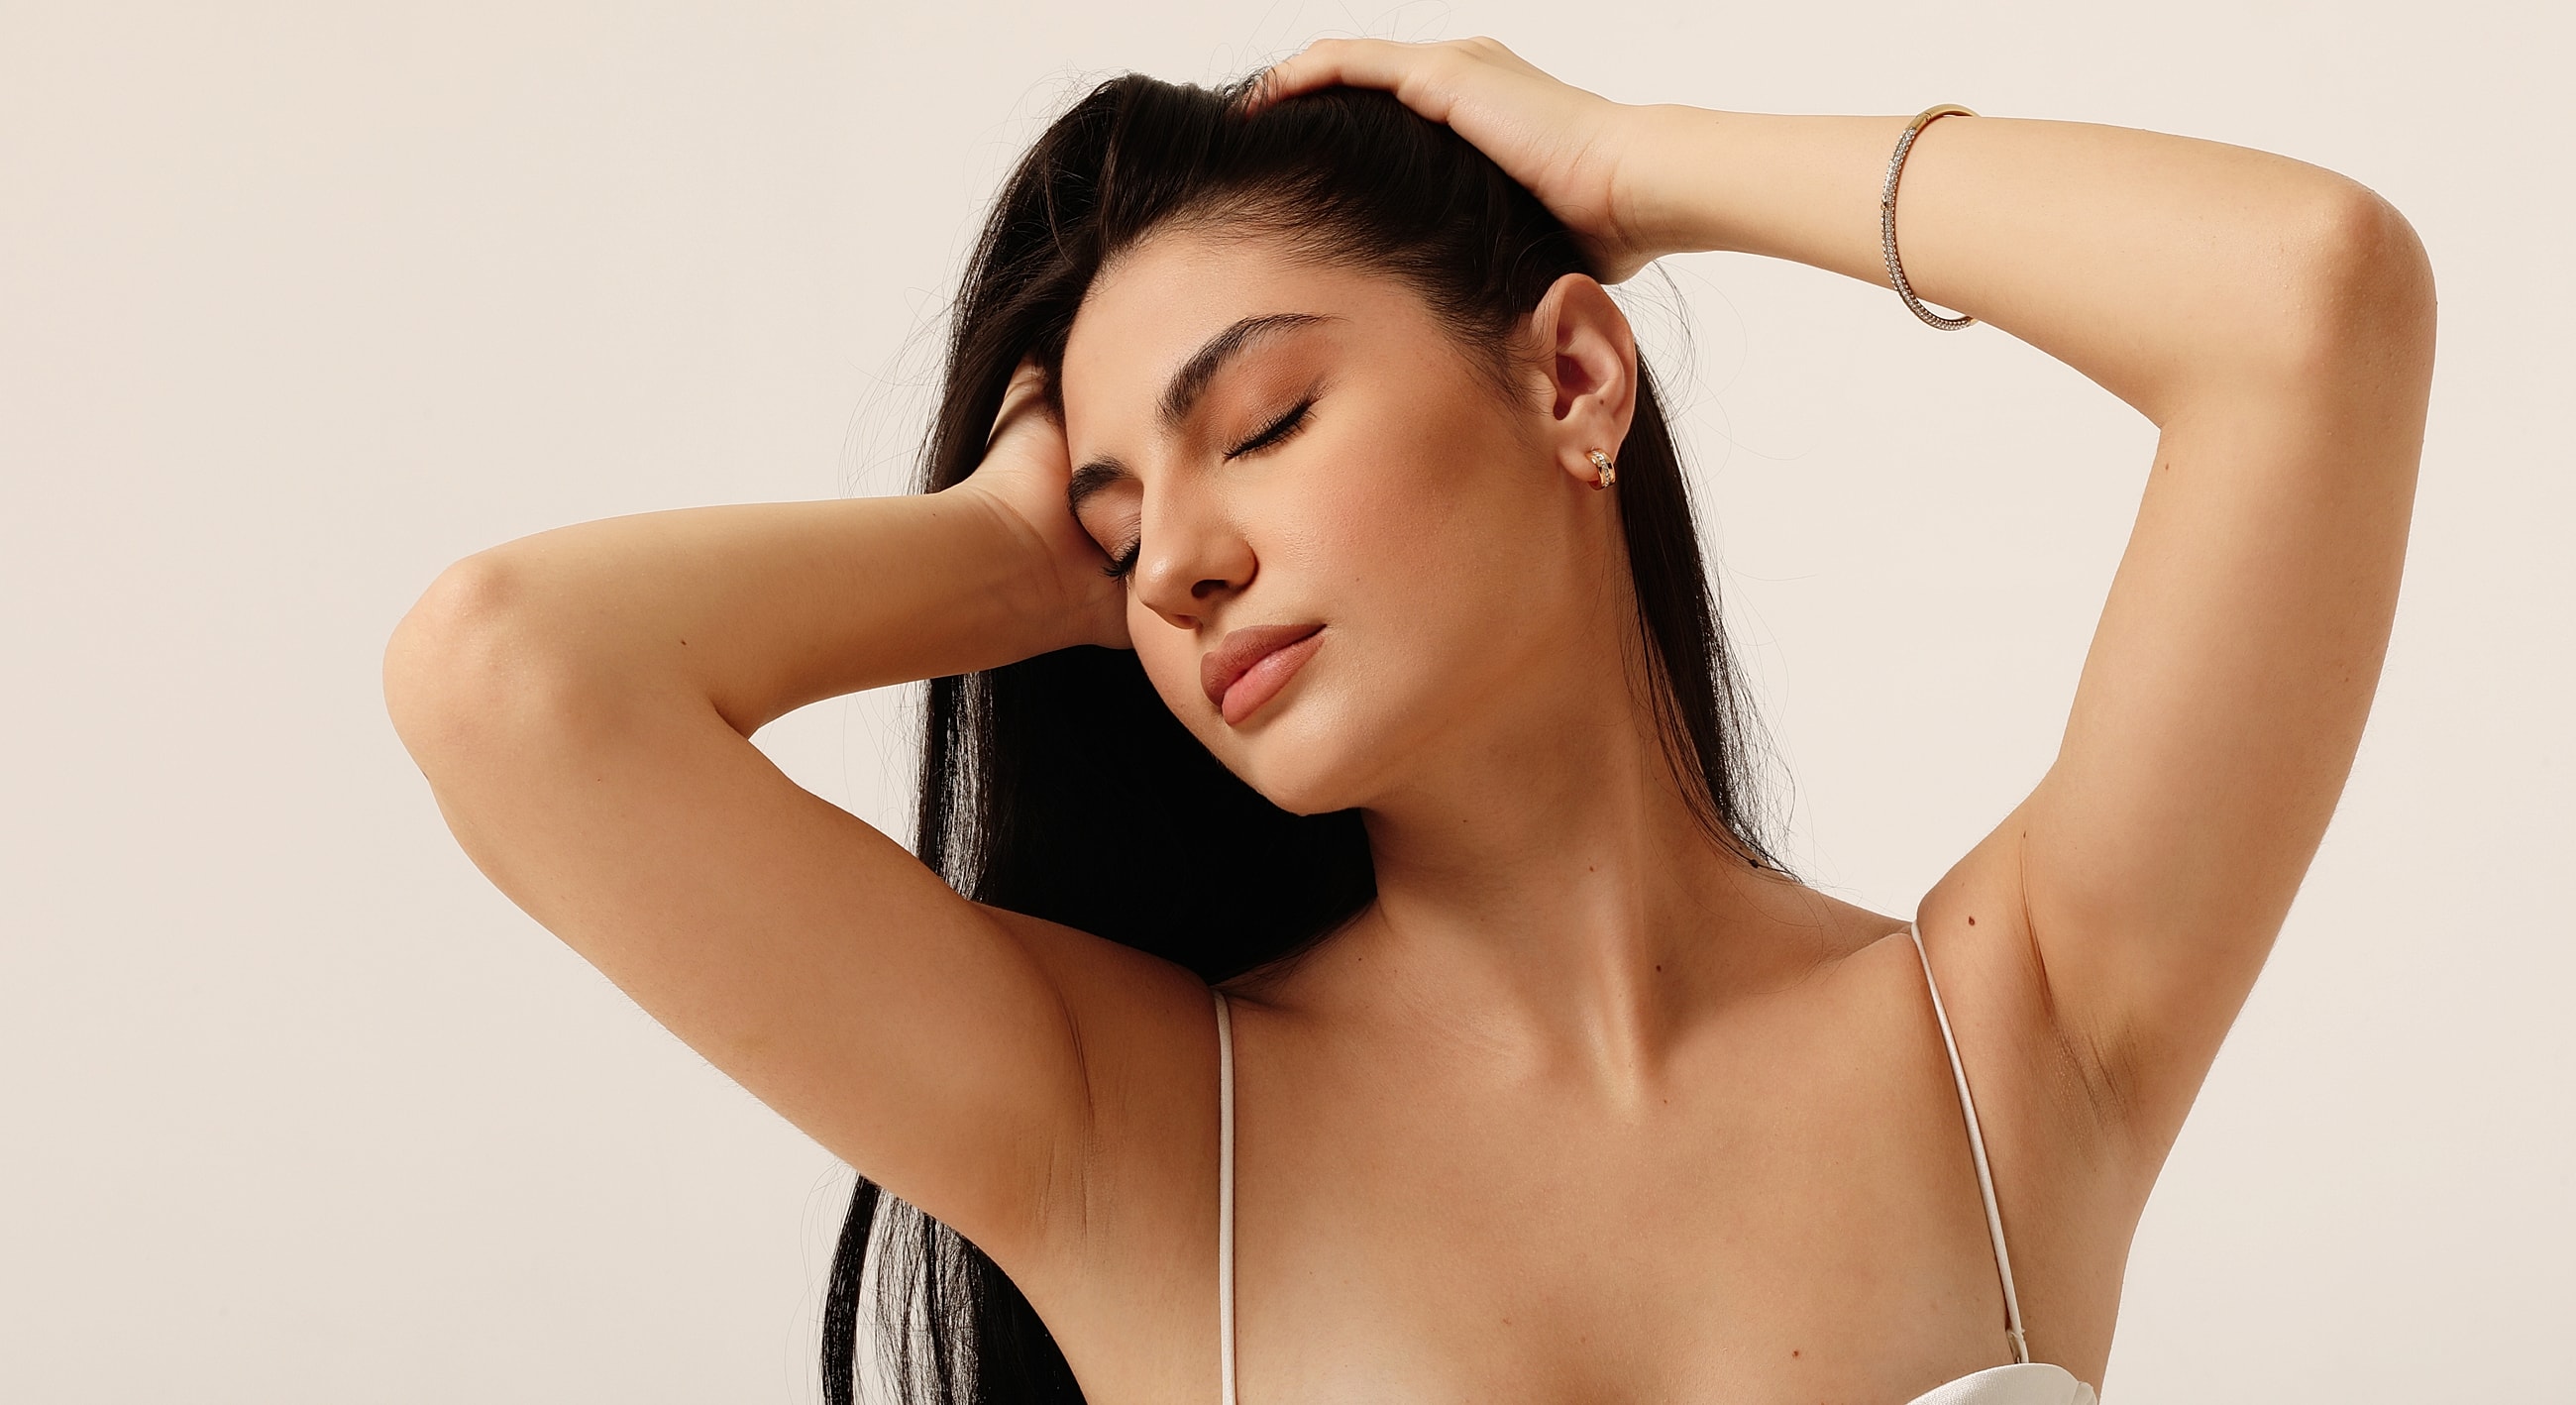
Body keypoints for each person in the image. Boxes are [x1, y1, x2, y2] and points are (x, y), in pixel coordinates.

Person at [381, 36, 2433, 1405]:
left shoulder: (2013, 1041)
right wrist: (1005, 560)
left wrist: (1630, 168)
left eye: (1258, 423)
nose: (1174, 560)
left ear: (1570, 385)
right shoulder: (1136, 1131)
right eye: (1116, 528)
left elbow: (2310, 297)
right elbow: (509, 677)